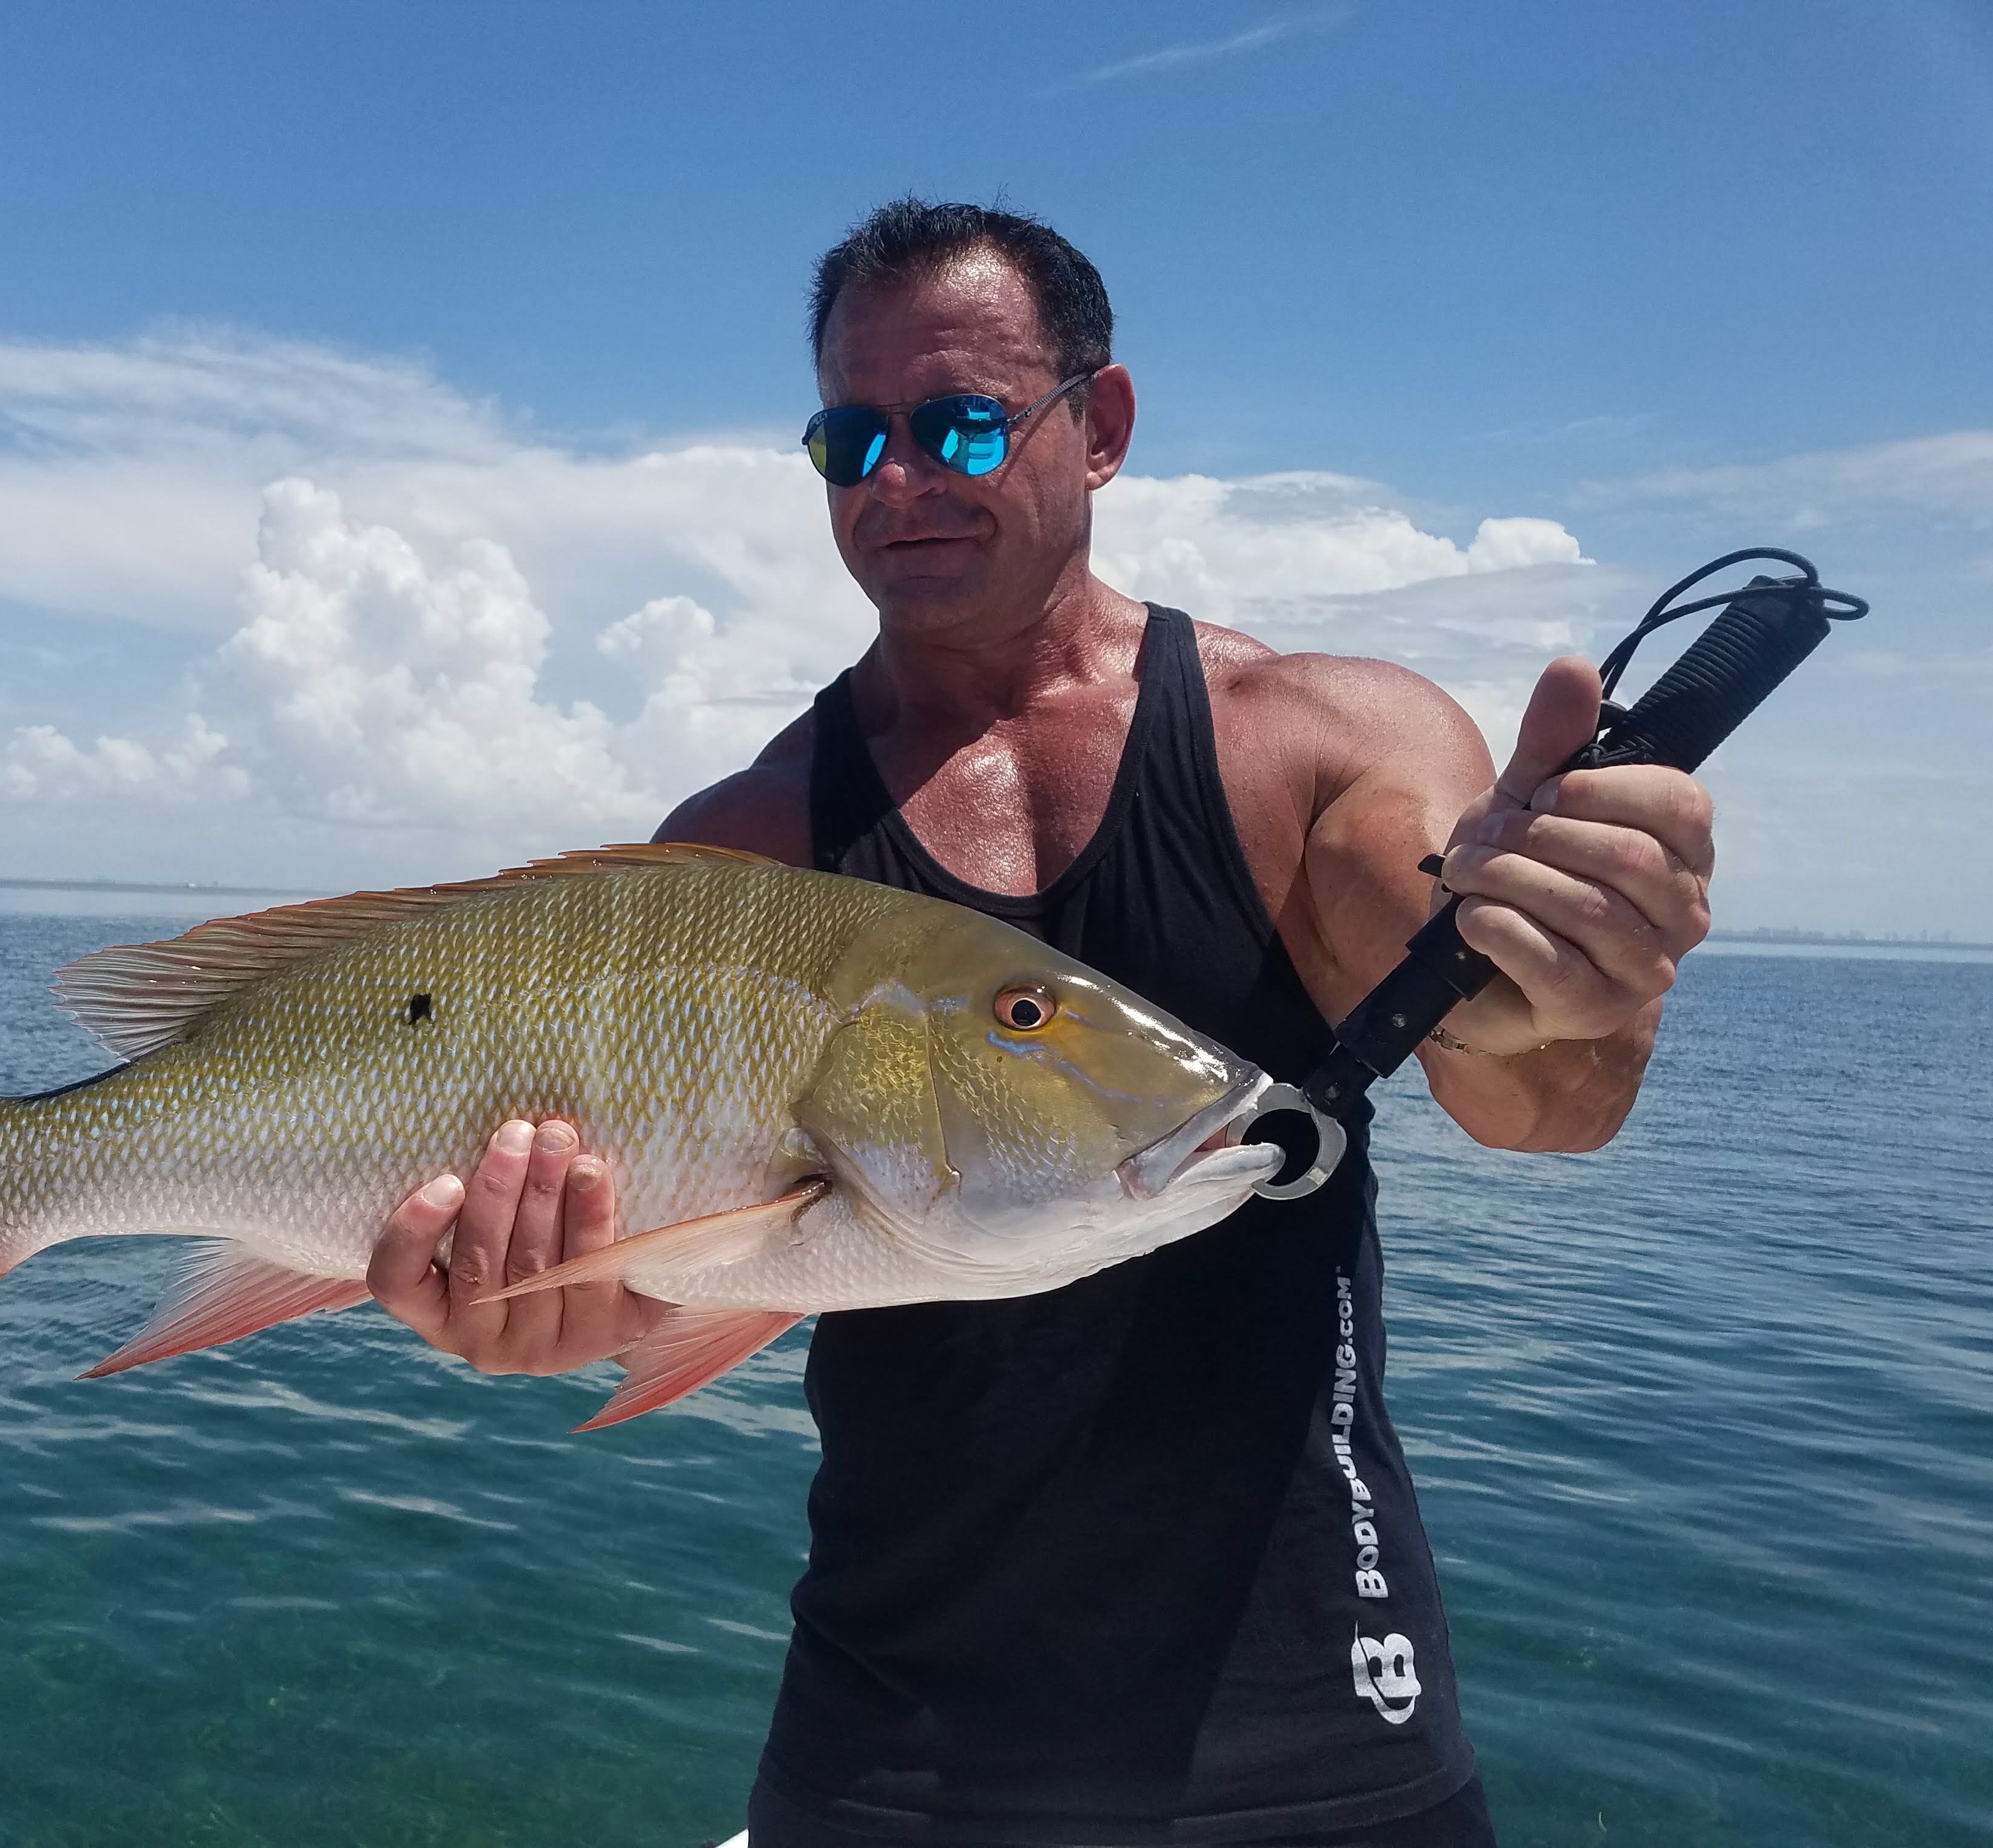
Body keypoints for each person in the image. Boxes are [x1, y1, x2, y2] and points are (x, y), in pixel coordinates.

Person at [364, 201, 1714, 1846]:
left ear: (1108, 424)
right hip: (895, 1738)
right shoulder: (746, 845)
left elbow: (1529, 1092)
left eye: (962, 423)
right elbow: (680, 1272)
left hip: (1316, 1716)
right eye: (849, 438)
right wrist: (554, 1310)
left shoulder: (1312, 745)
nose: (898, 480)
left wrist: (1561, 971)